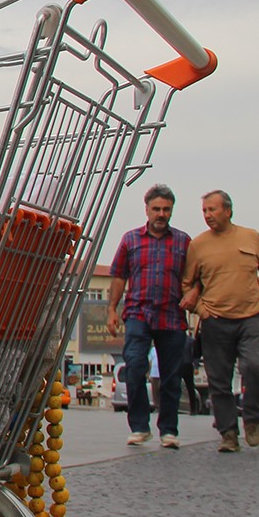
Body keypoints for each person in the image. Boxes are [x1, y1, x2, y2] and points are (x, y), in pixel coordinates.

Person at [179, 190, 259, 452]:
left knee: (256, 365)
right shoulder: (198, 245)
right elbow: (186, 283)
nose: (208, 215)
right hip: (215, 320)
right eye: (204, 211)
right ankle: (228, 433)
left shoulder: (251, 237)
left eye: (212, 210)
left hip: (252, 317)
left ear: (228, 211)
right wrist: (202, 310)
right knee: (219, 380)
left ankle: (251, 418)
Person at [107, 184, 191, 449]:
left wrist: (194, 296)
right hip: (138, 313)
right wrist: (112, 309)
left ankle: (168, 430)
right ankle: (140, 427)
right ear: (147, 209)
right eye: (156, 209)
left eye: (166, 209)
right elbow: (119, 276)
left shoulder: (183, 241)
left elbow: (194, 277)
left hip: (172, 315)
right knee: (133, 367)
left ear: (172, 211)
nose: (161, 214)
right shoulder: (131, 239)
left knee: (170, 376)